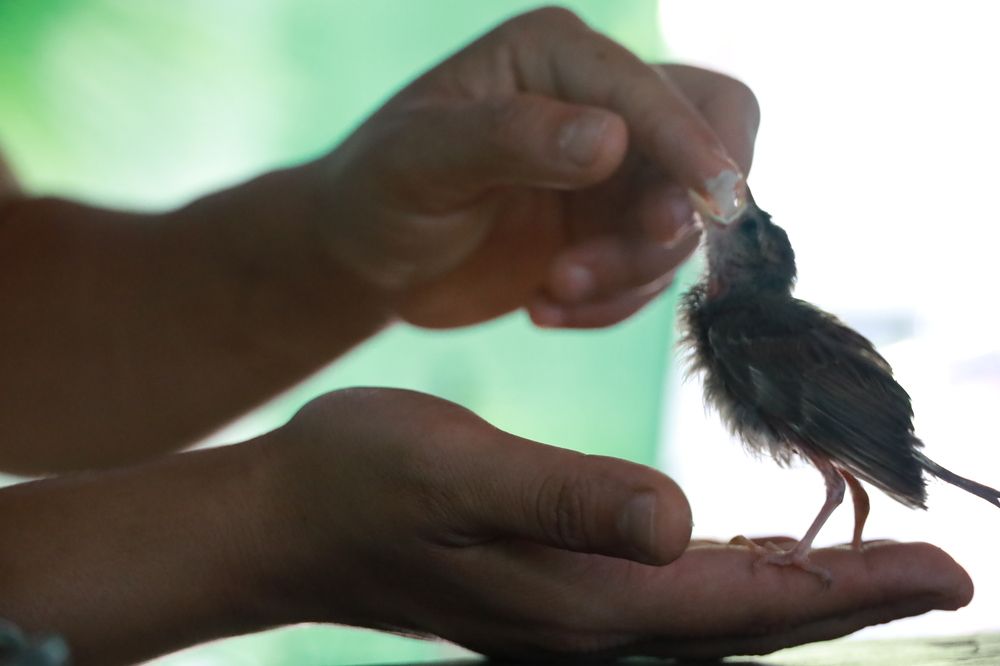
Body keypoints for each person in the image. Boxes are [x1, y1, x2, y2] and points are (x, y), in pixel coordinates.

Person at [0, 8, 972, 666]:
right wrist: (267, 529)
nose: (725, 226)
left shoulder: (740, 318)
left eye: (741, 231)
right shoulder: (737, 317)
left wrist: (343, 241)